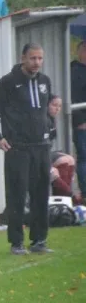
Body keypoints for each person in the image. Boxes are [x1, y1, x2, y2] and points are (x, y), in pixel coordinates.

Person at [0, 43, 53, 255]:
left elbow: (45, 112)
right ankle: (16, 242)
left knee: (41, 194)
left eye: (40, 58)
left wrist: (50, 131)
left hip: (41, 147)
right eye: (33, 58)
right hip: (18, 148)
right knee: (17, 195)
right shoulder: (8, 83)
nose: (36, 63)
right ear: (23, 58)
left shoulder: (45, 82)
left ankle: (39, 239)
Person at [48, 95, 81, 204]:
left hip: (47, 153)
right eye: (54, 105)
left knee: (69, 159)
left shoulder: (52, 120)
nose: (57, 109)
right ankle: (71, 197)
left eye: (60, 106)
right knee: (54, 172)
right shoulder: (41, 119)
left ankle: (63, 200)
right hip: (37, 156)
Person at [70, 41, 86, 199]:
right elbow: (73, 97)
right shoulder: (75, 72)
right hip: (82, 124)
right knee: (84, 157)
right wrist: (81, 121)